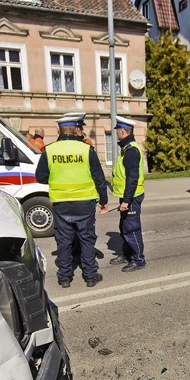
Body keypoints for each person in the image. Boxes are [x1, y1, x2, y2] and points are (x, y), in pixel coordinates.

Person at [36, 115, 108, 288]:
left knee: (63, 241)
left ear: (59, 130)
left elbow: (41, 177)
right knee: (87, 240)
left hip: (61, 203)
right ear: (76, 129)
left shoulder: (50, 150)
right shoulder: (86, 149)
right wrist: (103, 200)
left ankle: (64, 278)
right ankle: (90, 276)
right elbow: (99, 179)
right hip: (84, 203)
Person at [109, 116, 147, 272]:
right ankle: (126, 254)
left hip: (132, 197)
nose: (117, 133)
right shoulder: (126, 149)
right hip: (127, 196)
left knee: (131, 228)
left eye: (118, 130)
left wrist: (126, 201)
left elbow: (132, 178)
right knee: (124, 226)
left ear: (123, 132)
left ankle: (138, 260)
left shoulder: (131, 151)